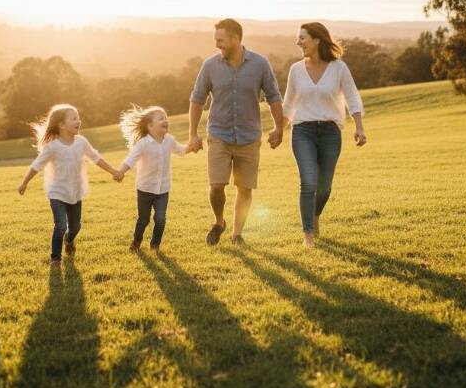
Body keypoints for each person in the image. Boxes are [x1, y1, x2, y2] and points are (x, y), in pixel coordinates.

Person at [188, 18, 284, 246]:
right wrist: (193, 133)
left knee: (245, 187)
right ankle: (219, 221)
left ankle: (237, 233)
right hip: (219, 135)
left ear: (235, 39)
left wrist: (279, 128)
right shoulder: (210, 65)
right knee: (216, 186)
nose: (217, 44)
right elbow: (197, 99)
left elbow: (274, 97)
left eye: (220, 40)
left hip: (249, 137)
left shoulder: (260, 64)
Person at [282, 22, 366, 247]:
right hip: (303, 131)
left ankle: (315, 214)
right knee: (308, 182)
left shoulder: (338, 68)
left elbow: (352, 97)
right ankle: (308, 234)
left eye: (302, 38)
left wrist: (359, 127)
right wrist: (278, 130)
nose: (298, 42)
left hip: (330, 132)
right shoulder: (296, 70)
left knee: (325, 186)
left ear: (317, 39)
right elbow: (288, 104)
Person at [17, 104, 122, 265]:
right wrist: (24, 182)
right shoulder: (52, 147)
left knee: (75, 227)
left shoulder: (81, 142)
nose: (78, 121)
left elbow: (96, 158)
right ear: (61, 125)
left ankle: (69, 239)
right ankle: (55, 258)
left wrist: (113, 171)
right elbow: (36, 165)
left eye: (78, 118)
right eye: (73, 118)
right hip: (57, 192)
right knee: (60, 225)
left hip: (75, 191)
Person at [116, 105, 191, 253]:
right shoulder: (143, 143)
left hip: (163, 189)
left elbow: (181, 150)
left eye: (166, 118)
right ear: (150, 126)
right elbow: (131, 159)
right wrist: (121, 172)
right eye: (161, 118)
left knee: (161, 219)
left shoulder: (169, 140)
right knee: (143, 219)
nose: (165, 120)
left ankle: (155, 245)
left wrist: (192, 147)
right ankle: (136, 241)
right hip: (145, 189)